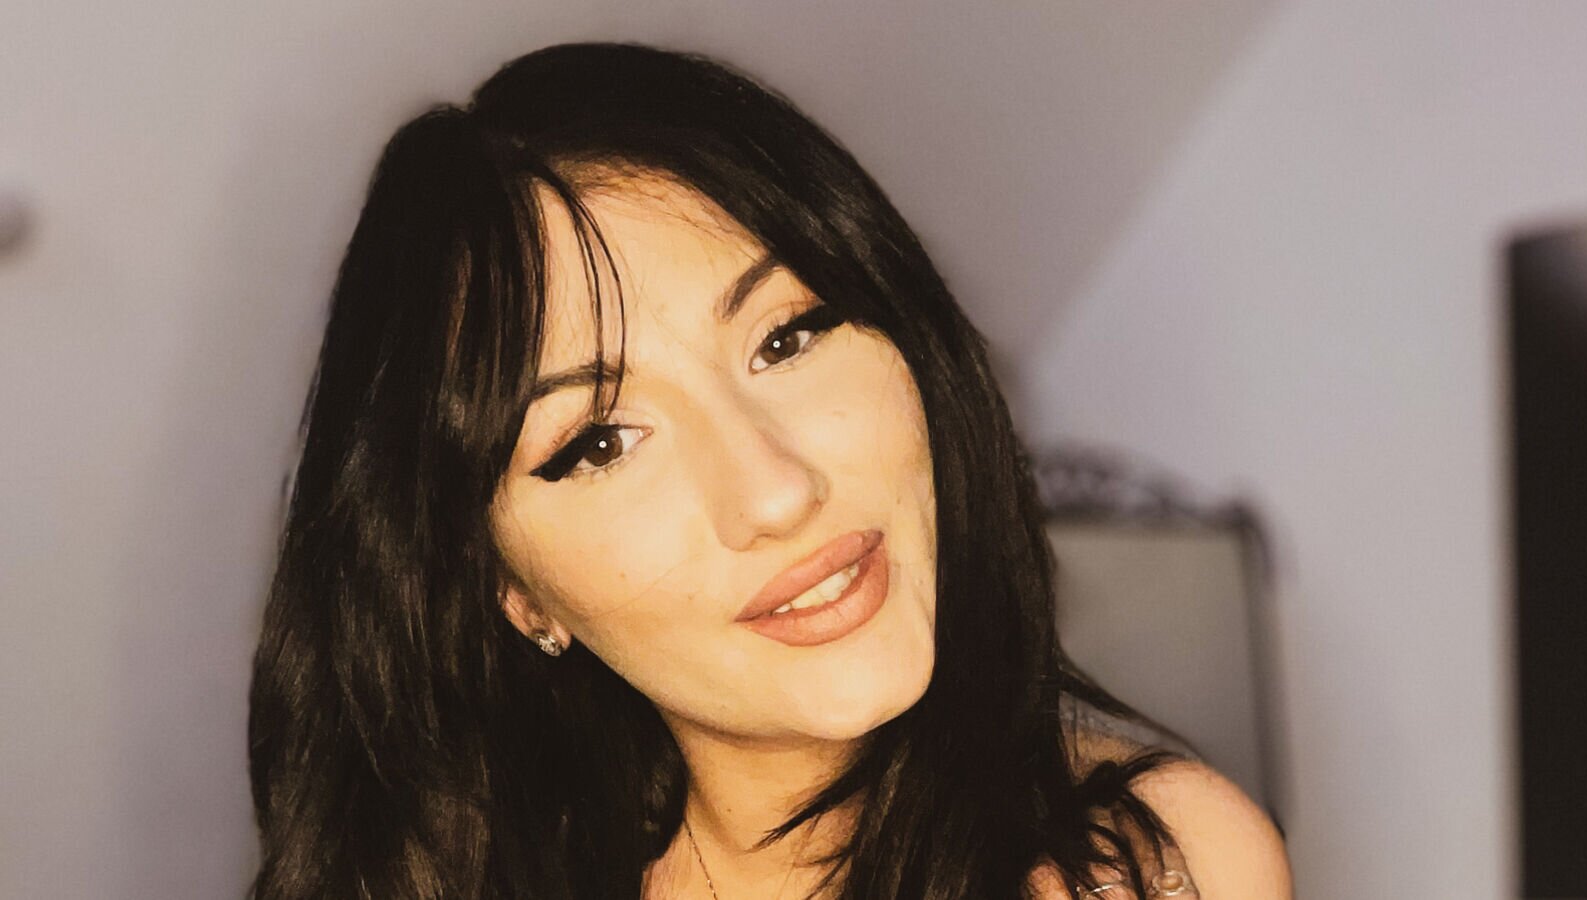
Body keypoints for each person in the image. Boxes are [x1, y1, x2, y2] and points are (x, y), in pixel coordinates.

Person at [247, 42, 1291, 899]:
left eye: (786, 338)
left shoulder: (1143, 871)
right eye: (601, 443)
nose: (778, 492)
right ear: (511, 589)